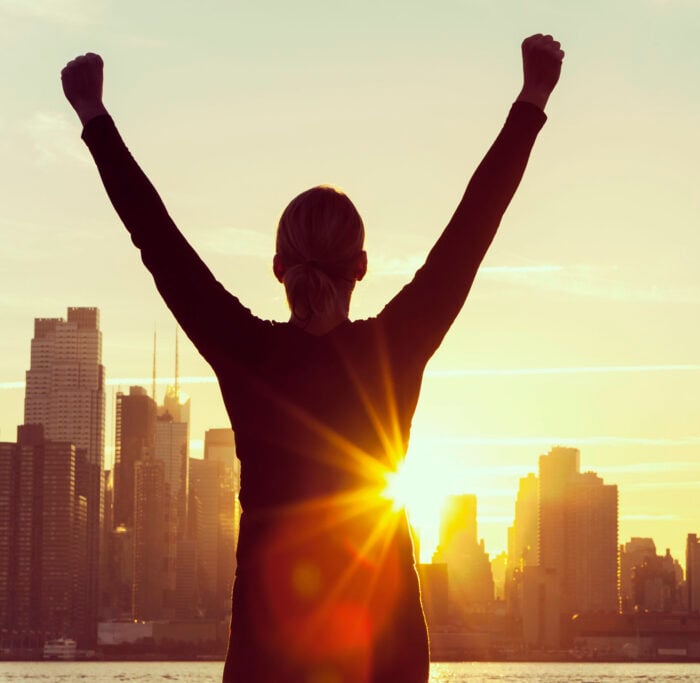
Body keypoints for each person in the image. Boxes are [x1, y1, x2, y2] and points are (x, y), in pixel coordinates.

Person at [62, 33, 563, 683]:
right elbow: (473, 227)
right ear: (361, 266)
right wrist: (532, 97)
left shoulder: (249, 355)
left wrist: (93, 115)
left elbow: (157, 238)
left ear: (278, 267)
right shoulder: (393, 350)